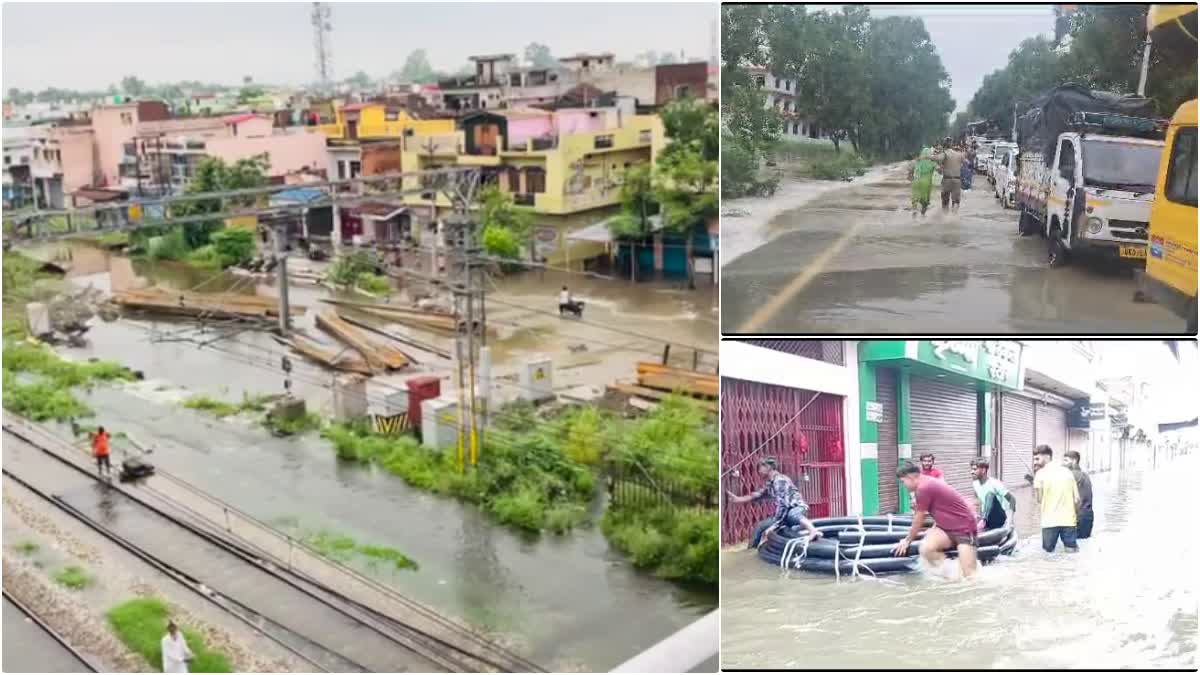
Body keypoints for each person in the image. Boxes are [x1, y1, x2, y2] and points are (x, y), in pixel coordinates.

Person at [892, 462, 979, 578]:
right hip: (945, 528)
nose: (904, 486)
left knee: (970, 575)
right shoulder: (925, 484)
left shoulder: (923, 488)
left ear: (910, 478)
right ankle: (951, 575)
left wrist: (907, 541)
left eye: (903, 482)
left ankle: (961, 572)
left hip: (964, 529)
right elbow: (941, 508)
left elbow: (919, 518)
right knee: (926, 549)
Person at [727, 457, 823, 549]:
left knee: (792, 515)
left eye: (760, 467)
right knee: (759, 527)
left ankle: (813, 530)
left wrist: (774, 526)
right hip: (784, 513)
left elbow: (783, 506)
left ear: (768, 467)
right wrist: (738, 499)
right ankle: (750, 552)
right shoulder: (771, 482)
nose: (758, 470)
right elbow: (758, 495)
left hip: (796, 508)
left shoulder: (779, 480)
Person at [1032, 445, 1080, 553]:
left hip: (1049, 522)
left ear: (1047, 457)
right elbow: (1077, 499)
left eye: (1037, 459)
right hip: (1069, 521)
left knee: (1048, 556)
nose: (1035, 462)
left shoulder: (1039, 474)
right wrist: (1074, 516)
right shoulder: (1068, 472)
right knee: (1071, 553)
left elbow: (1039, 499)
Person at [970, 458, 1016, 531]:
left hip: (999, 518)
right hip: (988, 519)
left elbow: (1012, 499)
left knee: (990, 495)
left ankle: (983, 521)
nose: (971, 472)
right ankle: (983, 521)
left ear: (983, 470)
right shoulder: (975, 484)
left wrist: (1010, 521)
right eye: (971, 469)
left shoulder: (995, 484)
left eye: (974, 469)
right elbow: (979, 502)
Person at [1064, 450, 1094, 539]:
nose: (1063, 463)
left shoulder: (1070, 475)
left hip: (1077, 519)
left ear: (1074, 461)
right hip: (1088, 517)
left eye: (1066, 460)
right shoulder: (1085, 475)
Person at [932, 138, 965, 213]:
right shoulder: (959, 154)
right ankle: (954, 217)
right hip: (957, 180)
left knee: (945, 201)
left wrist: (931, 157)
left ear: (944, 144)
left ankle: (946, 217)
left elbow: (937, 159)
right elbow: (966, 162)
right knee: (956, 201)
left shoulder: (945, 153)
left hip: (947, 180)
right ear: (952, 144)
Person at [909, 147, 937, 218]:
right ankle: (922, 215)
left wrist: (910, 176)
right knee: (925, 202)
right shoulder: (932, 162)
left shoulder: (917, 161)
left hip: (916, 182)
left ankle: (914, 212)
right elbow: (940, 170)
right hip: (926, 183)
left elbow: (910, 172)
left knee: (915, 199)